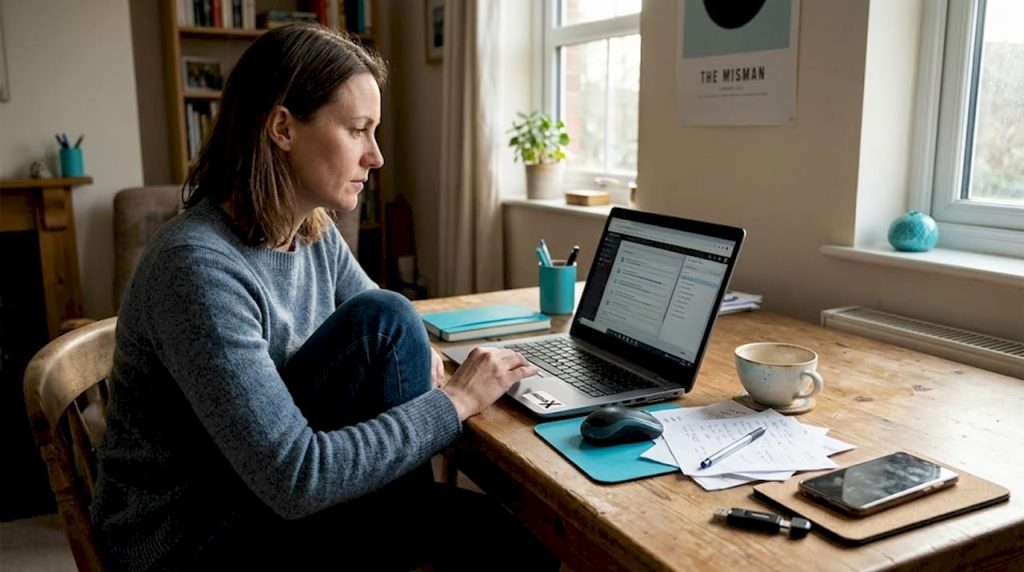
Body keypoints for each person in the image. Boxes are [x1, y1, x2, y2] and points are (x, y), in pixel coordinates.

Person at [92, 24, 554, 571]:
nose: (377, 157)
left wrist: (419, 357)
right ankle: (406, 531)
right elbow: (296, 478)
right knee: (501, 547)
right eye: (358, 130)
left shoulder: (308, 229)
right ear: (283, 127)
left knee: (516, 539)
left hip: (255, 488)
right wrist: (455, 402)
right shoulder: (196, 266)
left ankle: (405, 527)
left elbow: (381, 324)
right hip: (191, 537)